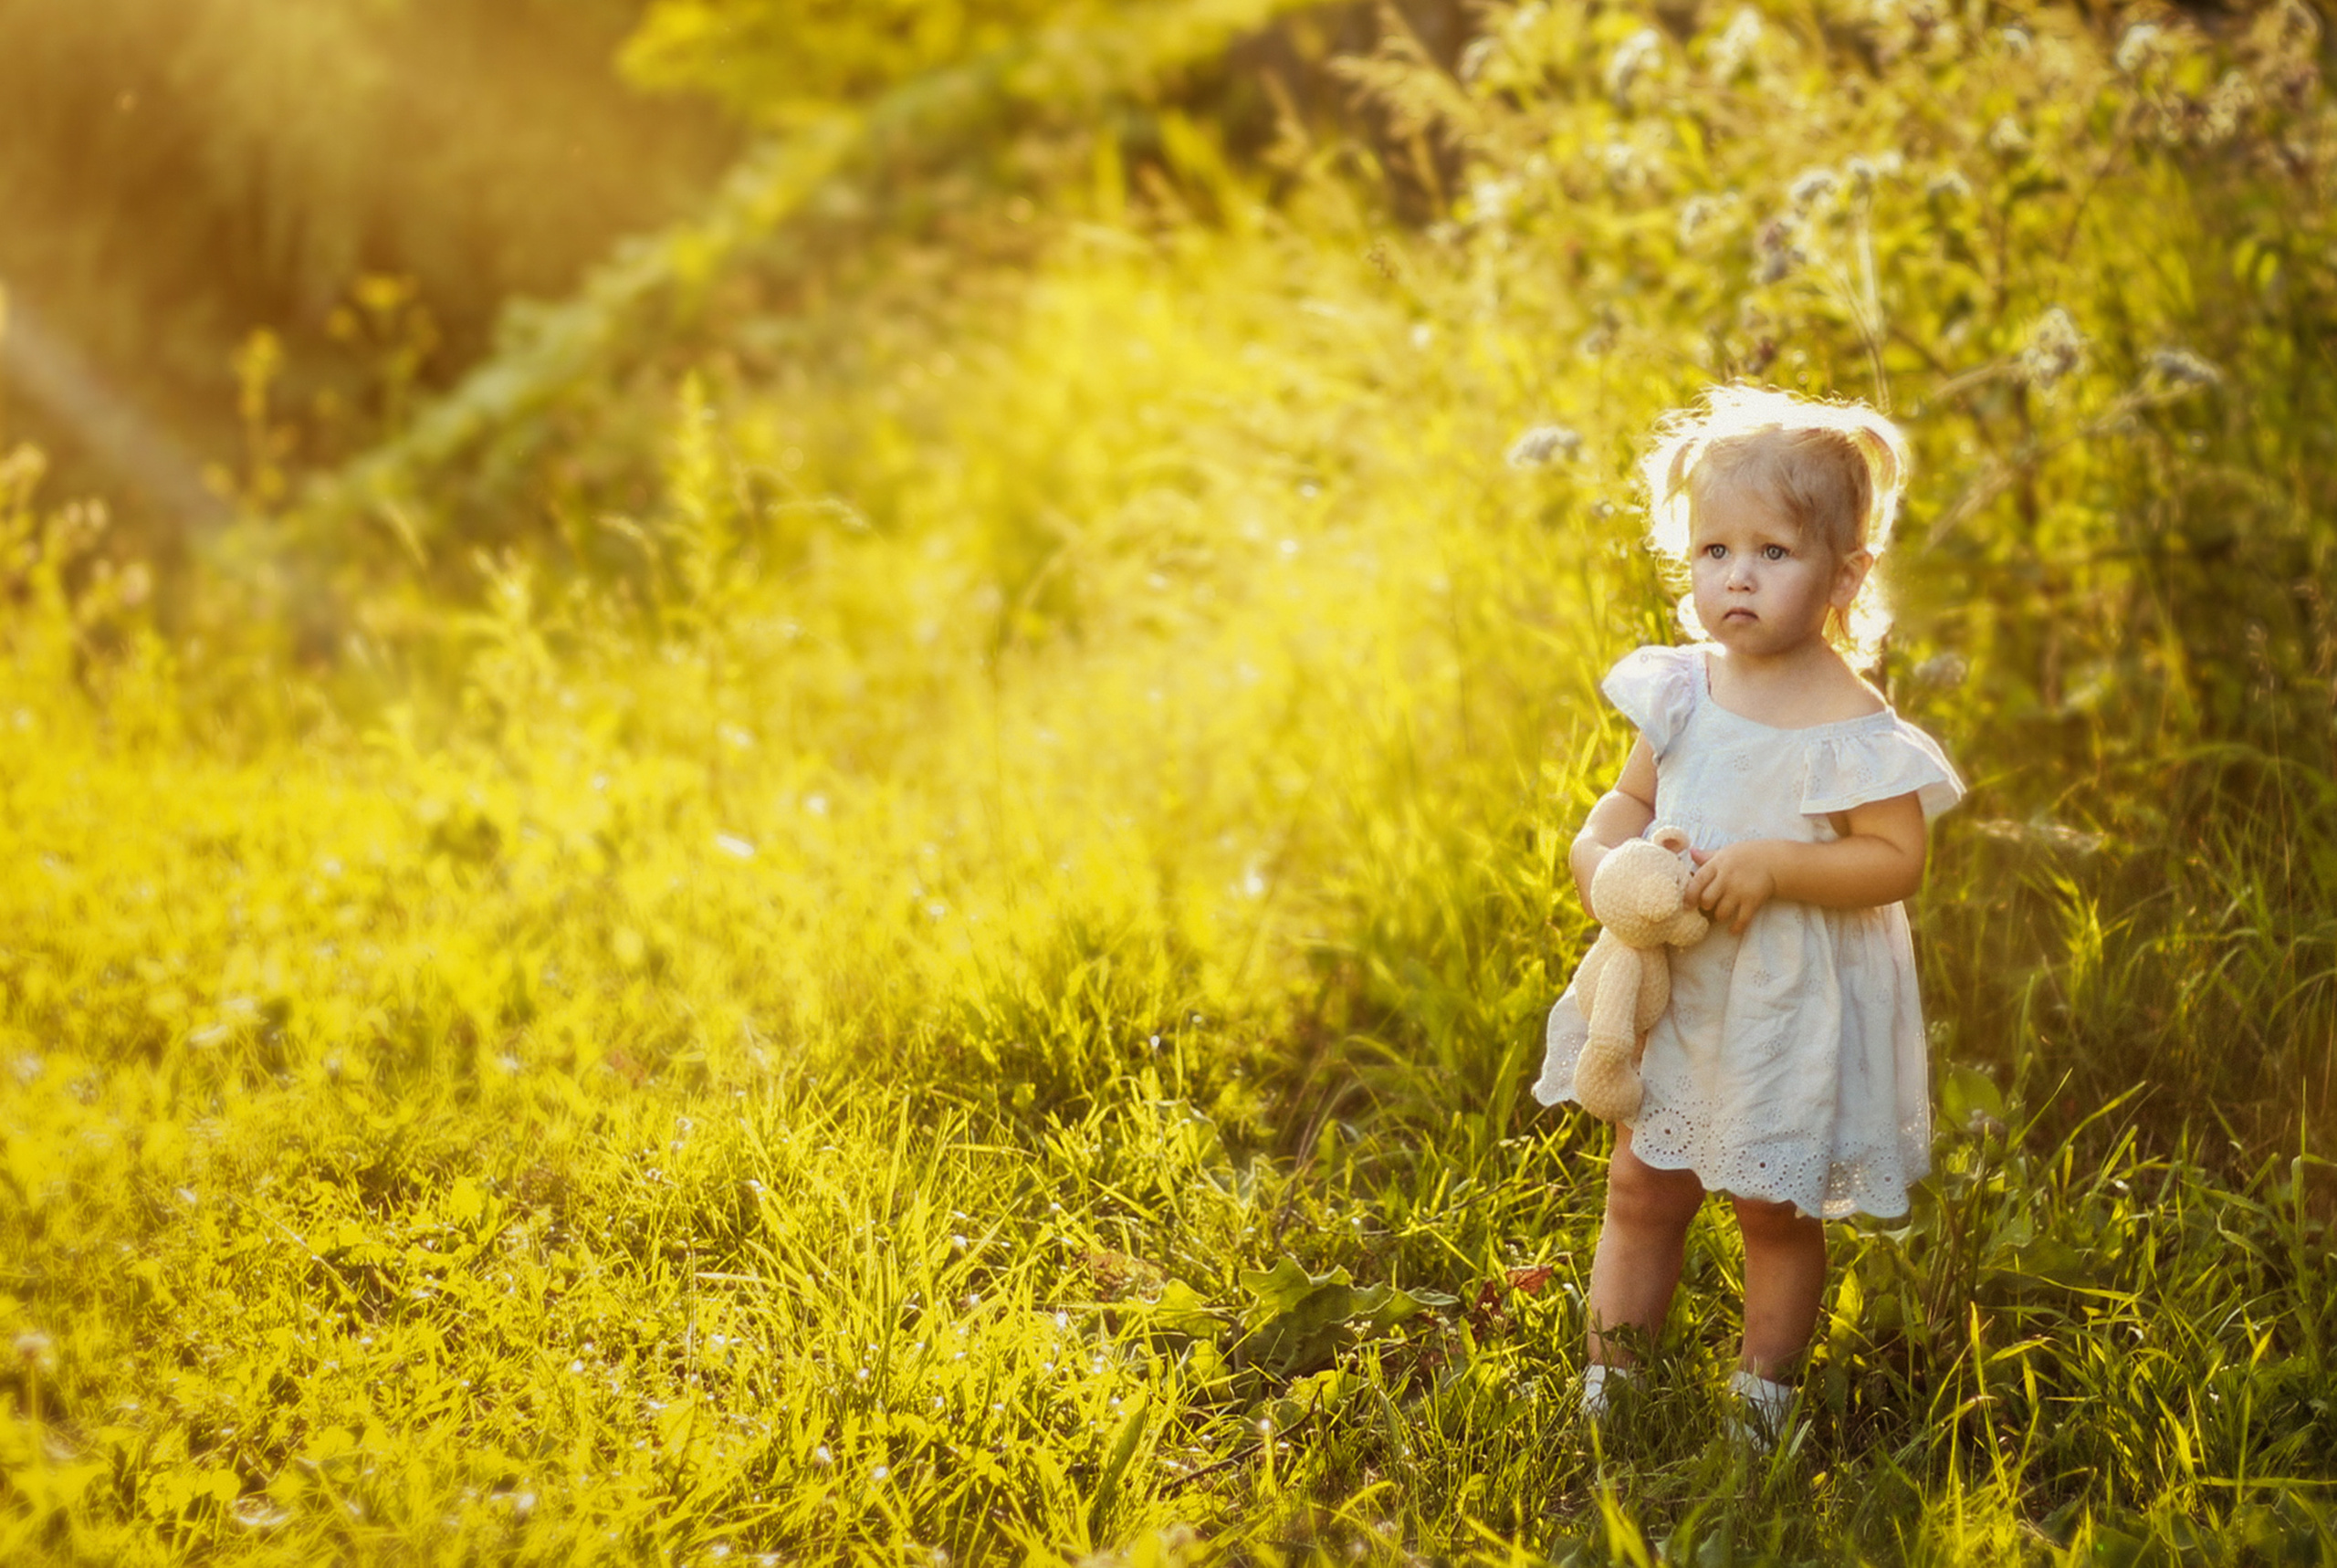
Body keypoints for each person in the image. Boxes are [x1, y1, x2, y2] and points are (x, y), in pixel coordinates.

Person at [1531, 382, 1965, 1442]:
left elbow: (1895, 858)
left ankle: (1759, 1403)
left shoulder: (1852, 726)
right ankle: (1613, 1387)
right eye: (1713, 549)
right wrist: (1599, 855)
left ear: (1844, 575)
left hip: (1783, 1005)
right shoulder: (1682, 689)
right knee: (1641, 1190)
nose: (1736, 575)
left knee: (1773, 1211)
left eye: (1772, 552)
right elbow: (1629, 798)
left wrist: (1777, 862)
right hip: (1681, 991)